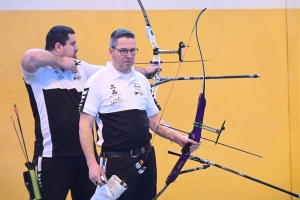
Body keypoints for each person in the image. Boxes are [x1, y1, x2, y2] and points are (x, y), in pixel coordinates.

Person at [21, 25, 160, 200]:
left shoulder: (81, 68)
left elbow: (112, 71)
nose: (77, 48)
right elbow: (30, 56)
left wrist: (146, 71)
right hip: (53, 158)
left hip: (86, 158)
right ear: (58, 47)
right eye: (73, 43)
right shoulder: (37, 74)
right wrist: (61, 61)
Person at [79, 29, 201, 200]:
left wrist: (177, 138)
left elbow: (153, 119)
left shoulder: (142, 80)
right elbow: (84, 125)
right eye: (123, 50)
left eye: (133, 50)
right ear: (111, 51)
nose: (129, 55)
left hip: (146, 159)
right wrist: (92, 164)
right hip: (116, 161)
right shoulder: (97, 81)